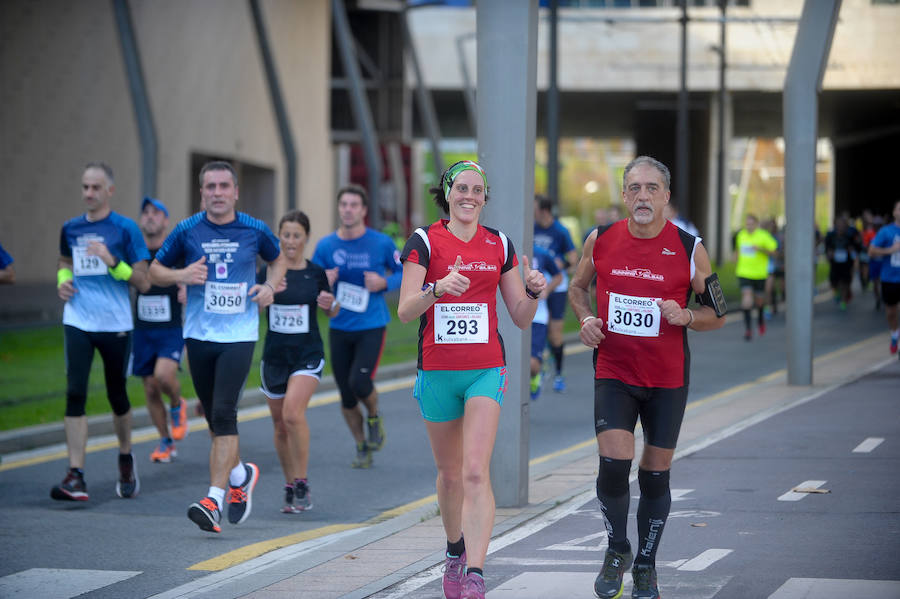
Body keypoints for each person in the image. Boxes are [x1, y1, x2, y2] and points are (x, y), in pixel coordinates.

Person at [568, 156, 725, 599]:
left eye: (652, 188)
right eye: (634, 188)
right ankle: (617, 548)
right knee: (614, 465)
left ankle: (646, 566)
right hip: (614, 370)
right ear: (623, 195)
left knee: (655, 475)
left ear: (666, 196)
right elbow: (578, 288)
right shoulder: (600, 240)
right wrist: (585, 320)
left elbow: (719, 313)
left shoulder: (689, 247)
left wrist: (688, 315)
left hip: (667, 378)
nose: (642, 196)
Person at [397, 160, 546, 599]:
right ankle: (454, 548)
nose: (469, 196)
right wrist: (438, 289)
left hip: (485, 369)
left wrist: (534, 292)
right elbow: (405, 311)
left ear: (485, 197)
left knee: (477, 471)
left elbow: (519, 317)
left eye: (477, 190)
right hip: (438, 371)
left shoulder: (499, 244)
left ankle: (476, 573)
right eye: (461, 188)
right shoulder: (424, 241)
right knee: (450, 475)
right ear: (447, 193)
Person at [149, 161, 287, 533]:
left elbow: (278, 259)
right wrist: (181, 275)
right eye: (210, 186)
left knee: (224, 413)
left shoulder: (254, 229)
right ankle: (241, 474)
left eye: (224, 186)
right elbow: (154, 271)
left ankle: (214, 499)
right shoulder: (187, 230)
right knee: (212, 415)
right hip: (198, 336)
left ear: (235, 191)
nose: (217, 192)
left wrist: (270, 287)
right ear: (202, 192)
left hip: (239, 336)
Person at [52, 162, 151, 501]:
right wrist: (63, 283)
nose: (89, 194)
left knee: (116, 394)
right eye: (84, 187)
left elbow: (143, 280)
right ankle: (76, 474)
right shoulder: (71, 227)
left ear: (109, 190)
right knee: (75, 392)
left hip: (115, 323)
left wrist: (113, 261)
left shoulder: (125, 229)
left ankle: (125, 455)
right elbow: (65, 263)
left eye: (95, 187)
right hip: (78, 319)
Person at [311, 184, 401, 468]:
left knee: (360, 382)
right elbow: (311, 283)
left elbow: (407, 271)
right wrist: (324, 281)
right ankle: (362, 445)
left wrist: (385, 282)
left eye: (354, 205)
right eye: (344, 205)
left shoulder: (381, 243)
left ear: (363, 210)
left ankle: (374, 415)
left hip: (371, 324)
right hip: (339, 326)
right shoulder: (326, 246)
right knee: (347, 396)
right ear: (339, 209)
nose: (348, 209)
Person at [259, 210, 339, 513]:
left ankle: (302, 480)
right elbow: (250, 309)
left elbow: (331, 309)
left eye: (296, 235)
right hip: (275, 357)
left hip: (307, 354)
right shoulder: (269, 272)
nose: (290, 241)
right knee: (280, 426)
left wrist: (331, 305)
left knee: (293, 414)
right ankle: (290, 483)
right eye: (286, 234)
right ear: (279, 236)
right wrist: (265, 295)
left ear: (305, 238)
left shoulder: (315, 273)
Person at [133, 197, 189, 463]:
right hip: (143, 330)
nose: (150, 217)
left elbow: (194, 275)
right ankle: (166, 441)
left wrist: (187, 288)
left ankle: (178, 405)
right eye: (146, 213)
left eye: (156, 213)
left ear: (166, 220)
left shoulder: (175, 251)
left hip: (171, 329)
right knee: (151, 389)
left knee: (164, 377)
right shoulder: (135, 250)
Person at [533, 195, 577, 392]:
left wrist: (561, 264)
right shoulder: (531, 227)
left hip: (556, 285)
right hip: (536, 285)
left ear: (544, 210)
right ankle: (539, 366)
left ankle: (559, 372)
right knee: (538, 326)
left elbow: (573, 259)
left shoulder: (560, 231)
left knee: (555, 333)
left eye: (534, 207)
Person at [734, 214, 777, 340]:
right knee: (747, 300)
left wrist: (761, 249)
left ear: (756, 224)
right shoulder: (741, 235)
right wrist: (735, 256)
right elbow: (738, 250)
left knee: (759, 302)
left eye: (751, 224)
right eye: (747, 224)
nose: (748, 226)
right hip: (744, 273)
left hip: (759, 274)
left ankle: (760, 320)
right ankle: (748, 330)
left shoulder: (763, 236)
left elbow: (775, 252)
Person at [866, 200, 900, 356]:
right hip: (890, 279)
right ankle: (894, 335)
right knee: (891, 313)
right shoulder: (886, 231)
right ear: (894, 212)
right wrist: (891, 250)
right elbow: (871, 251)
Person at [529, 245, 562, 401]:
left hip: (537, 316)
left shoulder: (541, 253)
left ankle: (535, 376)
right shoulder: (508, 249)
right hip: (513, 313)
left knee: (532, 365)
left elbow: (558, 276)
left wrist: (547, 290)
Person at [824, 214, 862, 311]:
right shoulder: (830, 235)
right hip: (835, 263)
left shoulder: (850, 236)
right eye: (838, 224)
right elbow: (826, 248)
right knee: (834, 282)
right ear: (835, 225)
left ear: (846, 226)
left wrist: (852, 252)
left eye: (842, 225)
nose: (840, 226)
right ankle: (837, 293)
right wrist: (829, 253)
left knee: (845, 282)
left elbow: (857, 248)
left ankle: (844, 301)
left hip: (846, 263)